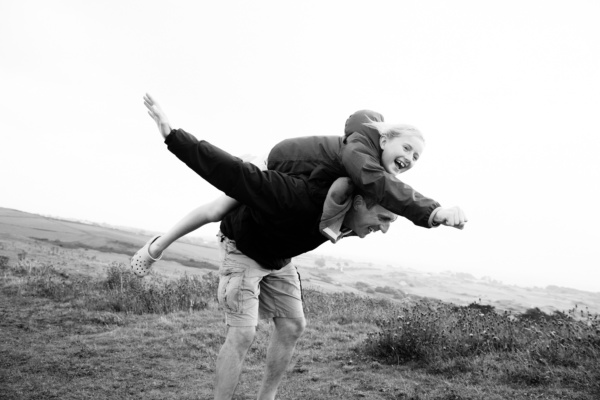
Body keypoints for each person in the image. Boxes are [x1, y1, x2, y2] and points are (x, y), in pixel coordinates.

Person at [139, 95, 399, 400]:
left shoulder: (361, 194)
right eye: (382, 219)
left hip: (278, 254)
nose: (383, 228)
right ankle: (156, 246)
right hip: (244, 242)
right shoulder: (301, 195)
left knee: (292, 325)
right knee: (242, 329)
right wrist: (174, 136)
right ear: (357, 201)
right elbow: (236, 174)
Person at [132, 95, 467, 268]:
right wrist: (432, 212)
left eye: (416, 157)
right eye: (406, 147)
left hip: (296, 180)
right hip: (271, 164)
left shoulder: (366, 168)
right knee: (217, 210)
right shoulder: (360, 154)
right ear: (384, 141)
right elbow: (383, 188)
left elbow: (365, 194)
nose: (409, 158)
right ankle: (157, 247)